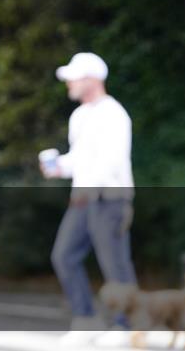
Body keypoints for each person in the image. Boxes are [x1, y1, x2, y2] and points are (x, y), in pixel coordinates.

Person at [40, 52, 137, 347]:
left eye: (74, 78)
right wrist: (60, 167)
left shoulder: (114, 113)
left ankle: (128, 326)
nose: (69, 83)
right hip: (83, 199)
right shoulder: (79, 115)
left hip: (109, 198)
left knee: (114, 263)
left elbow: (112, 161)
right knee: (64, 255)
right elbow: (81, 159)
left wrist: (83, 182)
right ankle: (86, 319)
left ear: (93, 79)